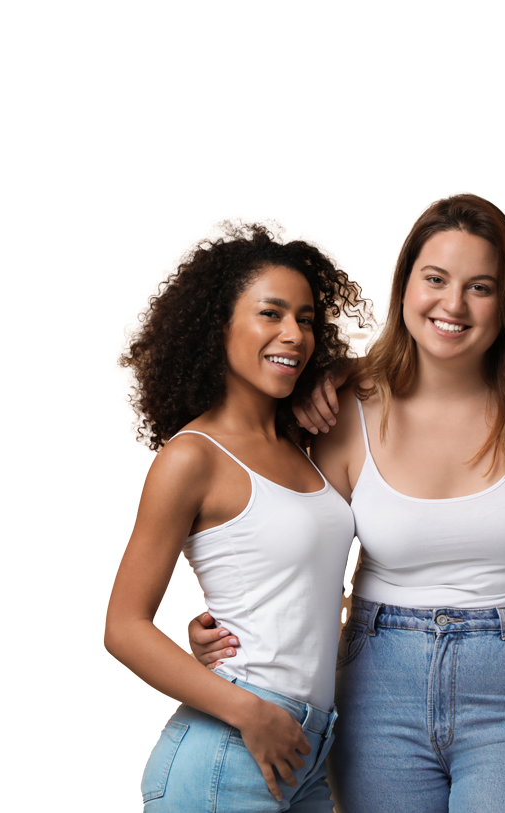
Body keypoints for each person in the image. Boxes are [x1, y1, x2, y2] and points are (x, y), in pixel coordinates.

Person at [190, 193, 505, 813]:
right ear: (405, 284)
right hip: (378, 683)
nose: (453, 305)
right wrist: (237, 628)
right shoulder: (344, 404)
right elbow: (315, 561)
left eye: (481, 287)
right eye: (435, 279)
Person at [104, 219, 370, 812]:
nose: (293, 335)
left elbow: (318, 581)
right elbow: (123, 626)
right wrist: (249, 712)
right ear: (217, 326)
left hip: (306, 749)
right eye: (270, 314)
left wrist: (342, 371)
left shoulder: (305, 447)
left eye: (306, 320)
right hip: (231, 747)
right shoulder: (192, 456)